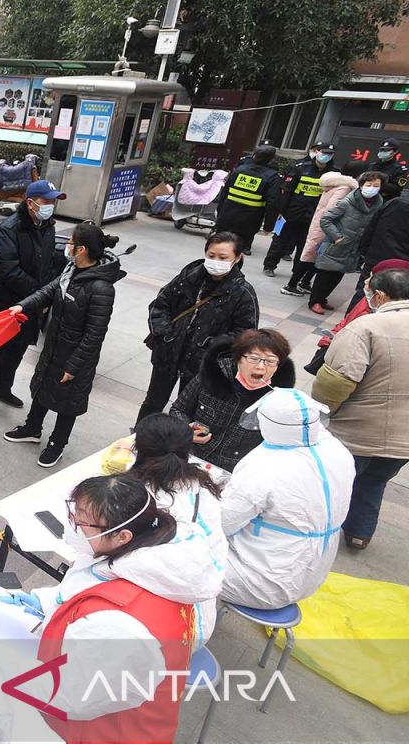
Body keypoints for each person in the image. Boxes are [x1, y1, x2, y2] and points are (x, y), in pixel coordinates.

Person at [0, 476, 194, 744]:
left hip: (103, 733)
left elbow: (70, 696)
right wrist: (50, 604)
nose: (73, 528)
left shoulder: (123, 629)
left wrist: (1, 671)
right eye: (74, 515)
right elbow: (92, 585)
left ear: (121, 536)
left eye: (82, 524)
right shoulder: (153, 561)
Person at [4, 223, 126, 468]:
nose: (67, 246)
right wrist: (23, 305)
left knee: (67, 403)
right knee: (43, 388)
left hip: (76, 357)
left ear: (81, 249)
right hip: (55, 346)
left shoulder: (101, 288)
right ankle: (32, 428)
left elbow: (95, 334)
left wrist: (74, 365)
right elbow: (48, 291)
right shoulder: (72, 270)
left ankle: (57, 444)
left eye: (70, 243)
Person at [219, 389, 354, 608]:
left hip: (261, 582)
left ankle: (185, 627)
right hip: (312, 574)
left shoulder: (264, 467)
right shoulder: (338, 452)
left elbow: (222, 522)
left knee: (174, 554)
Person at [312, 267, 409, 550]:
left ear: (378, 295)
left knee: (334, 484)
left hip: (355, 433)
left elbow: (335, 383)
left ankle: (319, 535)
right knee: (374, 483)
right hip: (403, 442)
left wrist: (324, 414)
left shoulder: (365, 327)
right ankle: (359, 534)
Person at [124, 413, 226, 646]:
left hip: (150, 634)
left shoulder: (131, 495)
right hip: (198, 625)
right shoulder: (206, 488)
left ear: (138, 449)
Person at [137, 232, 258, 423]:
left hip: (201, 365)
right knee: (153, 402)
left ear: (237, 258)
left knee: (186, 409)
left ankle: (176, 446)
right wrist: (164, 333)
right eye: (211, 256)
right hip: (168, 354)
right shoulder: (189, 276)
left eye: (223, 257)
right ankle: (140, 437)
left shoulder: (242, 293)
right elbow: (161, 303)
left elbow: (244, 335)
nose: (215, 261)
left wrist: (210, 347)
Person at [0, 180, 64, 416]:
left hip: (33, 302)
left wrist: (46, 292)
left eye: (53, 201)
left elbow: (48, 263)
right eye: (46, 201)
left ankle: (2, 387)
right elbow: (7, 269)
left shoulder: (48, 226)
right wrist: (39, 294)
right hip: (8, 301)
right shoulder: (10, 228)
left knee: (19, 347)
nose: (50, 205)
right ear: (30, 202)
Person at [168, 328, 295, 472]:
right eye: (253, 358)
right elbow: (178, 409)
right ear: (239, 358)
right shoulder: (213, 376)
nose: (260, 367)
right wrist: (185, 430)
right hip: (190, 457)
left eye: (270, 361)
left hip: (232, 470)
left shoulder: (278, 398)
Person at [304, 257, 409, 374]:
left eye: (371, 278)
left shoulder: (395, 324)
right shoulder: (367, 301)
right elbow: (346, 321)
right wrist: (329, 339)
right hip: (337, 354)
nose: (366, 281)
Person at [307, 171, 385, 313]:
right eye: (369, 185)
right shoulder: (347, 202)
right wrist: (336, 237)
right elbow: (326, 219)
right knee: (326, 274)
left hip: (353, 248)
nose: (372, 188)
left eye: (376, 185)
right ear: (361, 185)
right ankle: (315, 301)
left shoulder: (378, 205)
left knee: (337, 276)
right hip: (337, 245)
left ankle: (322, 299)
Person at [293, 159, 366, 297]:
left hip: (321, 225)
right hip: (326, 228)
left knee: (315, 257)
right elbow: (332, 210)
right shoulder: (344, 188)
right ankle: (292, 284)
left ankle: (303, 282)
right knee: (311, 256)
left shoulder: (336, 182)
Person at [263, 141, 335, 278]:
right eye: (324, 152)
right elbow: (286, 191)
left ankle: (297, 272)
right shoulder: (300, 167)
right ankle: (269, 265)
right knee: (279, 239)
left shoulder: (334, 173)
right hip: (290, 211)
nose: (326, 156)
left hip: (313, 215)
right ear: (317, 152)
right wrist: (280, 211)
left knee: (305, 244)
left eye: (330, 154)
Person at [213, 144, 282, 255]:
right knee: (236, 252)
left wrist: (220, 212)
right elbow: (272, 203)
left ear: (254, 156)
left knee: (218, 247)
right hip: (249, 220)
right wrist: (269, 225)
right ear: (271, 160)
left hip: (227, 215)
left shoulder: (240, 170)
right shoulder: (272, 177)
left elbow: (224, 193)